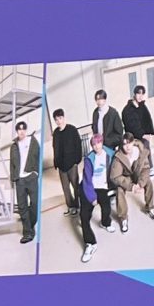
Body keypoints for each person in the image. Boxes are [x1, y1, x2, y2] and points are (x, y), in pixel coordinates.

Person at [50, 106, 95, 263]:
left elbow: (78, 146)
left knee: (76, 186)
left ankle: (79, 205)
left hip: (72, 165)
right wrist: (56, 162)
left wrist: (76, 161)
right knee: (65, 188)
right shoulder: (56, 133)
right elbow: (55, 148)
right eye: (56, 119)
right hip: (61, 166)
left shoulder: (72, 130)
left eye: (60, 118)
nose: (58, 121)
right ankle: (72, 207)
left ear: (64, 117)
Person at [89, 89, 123, 233]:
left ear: (105, 99)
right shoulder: (95, 113)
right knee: (98, 172)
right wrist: (97, 143)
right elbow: (94, 129)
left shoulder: (113, 113)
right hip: (99, 147)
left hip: (109, 147)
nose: (99, 101)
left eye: (101, 99)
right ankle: (102, 194)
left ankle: (112, 195)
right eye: (97, 99)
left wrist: (106, 143)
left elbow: (119, 134)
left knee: (110, 172)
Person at [109, 124, 154, 225]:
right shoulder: (118, 157)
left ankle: (150, 208)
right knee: (119, 189)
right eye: (124, 144)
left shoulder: (140, 151)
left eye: (129, 143)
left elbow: (146, 168)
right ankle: (123, 217)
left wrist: (140, 184)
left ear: (133, 142)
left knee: (148, 181)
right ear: (122, 145)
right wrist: (131, 187)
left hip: (137, 174)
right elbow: (115, 177)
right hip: (126, 177)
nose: (127, 147)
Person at [8, 119, 40, 245]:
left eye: (23, 129)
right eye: (19, 129)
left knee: (35, 204)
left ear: (26, 130)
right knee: (22, 207)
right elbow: (12, 163)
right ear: (17, 131)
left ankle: (30, 226)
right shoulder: (14, 146)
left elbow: (39, 156)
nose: (21, 131)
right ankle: (27, 233)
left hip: (31, 177)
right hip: (19, 180)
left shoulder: (32, 141)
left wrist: (36, 172)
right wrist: (13, 178)